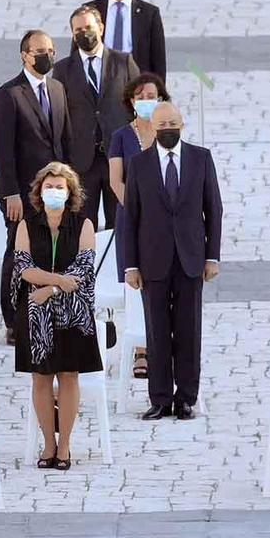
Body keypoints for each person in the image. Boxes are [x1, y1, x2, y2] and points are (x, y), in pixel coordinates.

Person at [123, 102, 222, 421]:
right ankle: (160, 398)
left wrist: (212, 256)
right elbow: (130, 216)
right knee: (157, 331)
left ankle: (186, 398)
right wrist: (130, 265)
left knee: (189, 330)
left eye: (172, 124)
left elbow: (213, 209)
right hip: (152, 260)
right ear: (152, 127)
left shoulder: (200, 158)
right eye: (161, 125)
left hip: (191, 258)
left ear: (182, 125)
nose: (167, 129)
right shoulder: (138, 164)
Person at [15, 163, 102, 467]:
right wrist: (58, 281)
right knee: (41, 378)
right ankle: (48, 445)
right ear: (40, 191)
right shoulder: (26, 225)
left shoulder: (84, 225)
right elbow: (24, 268)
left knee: (68, 375)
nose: (54, 191)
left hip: (72, 314)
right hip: (36, 313)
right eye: (49, 186)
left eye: (59, 187)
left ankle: (64, 445)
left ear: (70, 192)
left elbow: (83, 270)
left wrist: (51, 289)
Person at [0, 30, 72, 341]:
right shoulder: (9, 95)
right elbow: (2, 150)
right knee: (19, 252)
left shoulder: (58, 89)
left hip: (55, 192)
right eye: (40, 51)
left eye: (50, 50)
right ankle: (14, 320)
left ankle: (49, 312)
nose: (47, 56)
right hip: (21, 193)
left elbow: (64, 140)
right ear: (25, 55)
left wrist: (69, 185)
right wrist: (10, 192)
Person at [53, 4, 139, 228]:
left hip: (118, 158)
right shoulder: (62, 69)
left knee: (120, 223)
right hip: (81, 162)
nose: (84, 33)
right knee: (82, 225)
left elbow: (138, 107)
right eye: (78, 30)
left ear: (100, 28)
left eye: (88, 28)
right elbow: (59, 116)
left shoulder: (123, 62)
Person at [108, 74, 168, 380]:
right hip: (132, 220)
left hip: (164, 222)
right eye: (140, 96)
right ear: (131, 101)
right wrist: (135, 211)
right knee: (136, 283)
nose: (146, 101)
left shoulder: (167, 133)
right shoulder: (121, 136)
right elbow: (115, 180)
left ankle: (162, 343)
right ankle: (141, 350)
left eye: (152, 96)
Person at [73, 0, 167, 77]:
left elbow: (158, 59)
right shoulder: (90, 11)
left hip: (136, 81)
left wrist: (158, 87)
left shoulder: (150, 14)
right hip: (99, 80)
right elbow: (77, 51)